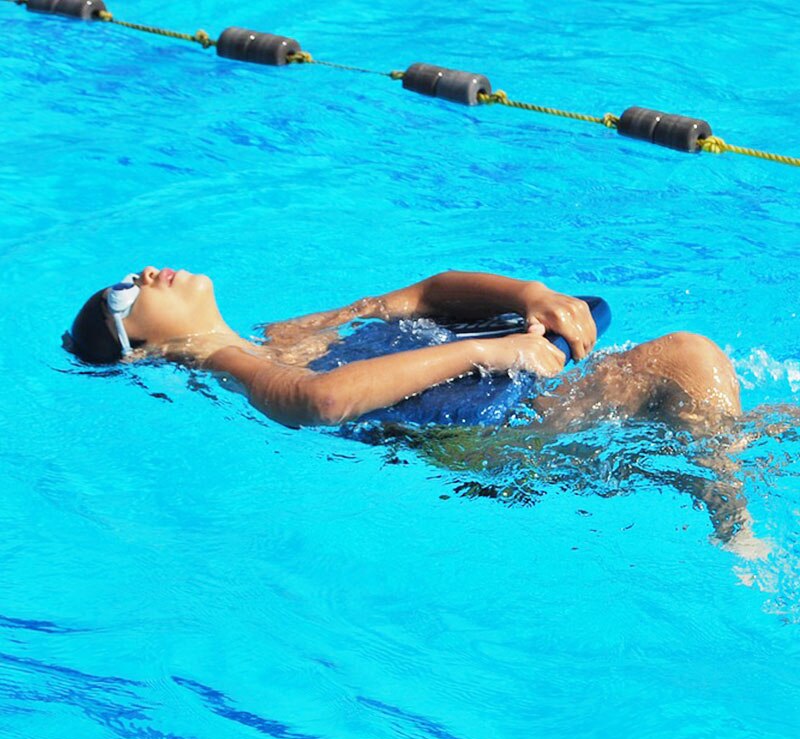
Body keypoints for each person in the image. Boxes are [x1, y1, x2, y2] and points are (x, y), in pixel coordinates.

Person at [64, 266, 741, 433]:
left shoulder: (287, 336)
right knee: (690, 362)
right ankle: (736, 528)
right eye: (126, 294)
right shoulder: (240, 369)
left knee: (702, 398)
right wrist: (496, 354)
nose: (145, 275)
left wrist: (527, 294)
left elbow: (420, 296)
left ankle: (728, 474)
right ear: (141, 350)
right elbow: (324, 400)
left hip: (508, 406)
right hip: (476, 445)